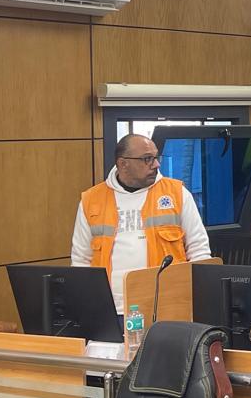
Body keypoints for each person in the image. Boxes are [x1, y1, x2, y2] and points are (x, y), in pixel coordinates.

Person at [72, 134, 210, 316]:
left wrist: (198, 303)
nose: (156, 164)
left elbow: (199, 251)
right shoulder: (92, 200)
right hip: (109, 309)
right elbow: (81, 260)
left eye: (156, 157)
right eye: (147, 159)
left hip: (166, 307)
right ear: (123, 164)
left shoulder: (177, 194)